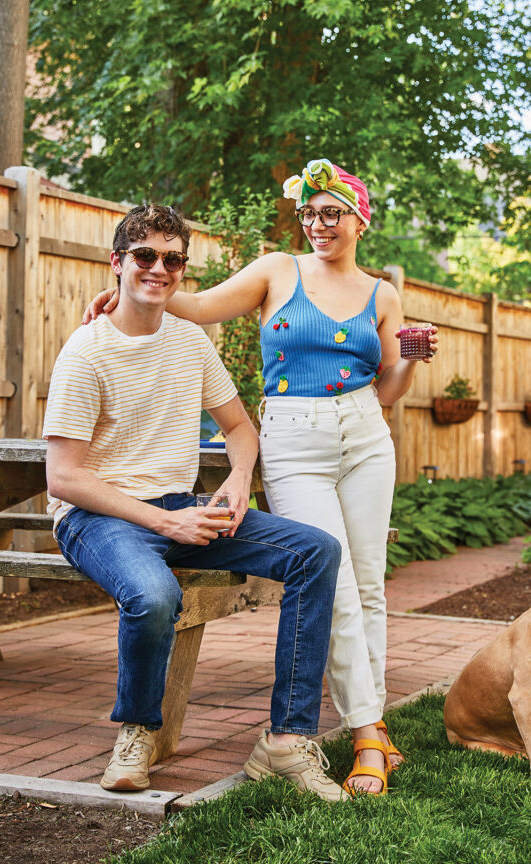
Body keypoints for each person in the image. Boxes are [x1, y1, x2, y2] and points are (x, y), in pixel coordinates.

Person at [84, 160, 438, 794]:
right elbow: (192, 303)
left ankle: (372, 726)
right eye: (310, 214)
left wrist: (411, 359)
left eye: (332, 214)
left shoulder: (383, 293)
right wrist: (127, 293)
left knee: (370, 584)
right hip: (294, 436)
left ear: (360, 220)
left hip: (365, 432)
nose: (319, 225)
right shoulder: (279, 269)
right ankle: (365, 734)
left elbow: (388, 390)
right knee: (338, 584)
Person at [45, 202, 347, 802]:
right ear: (118, 263)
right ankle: (137, 732)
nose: (160, 269)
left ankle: (287, 741)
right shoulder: (86, 353)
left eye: (173, 259)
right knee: (156, 594)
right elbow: (64, 478)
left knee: (316, 552)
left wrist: (237, 480)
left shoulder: (190, 342)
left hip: (183, 504)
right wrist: (166, 521)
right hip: (98, 517)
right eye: (145, 256)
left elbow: (240, 429)